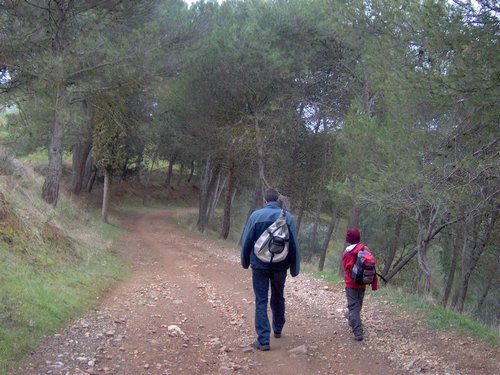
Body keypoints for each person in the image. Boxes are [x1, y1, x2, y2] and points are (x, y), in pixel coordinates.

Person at [241, 188, 300, 351]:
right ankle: (278, 328)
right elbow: (294, 244)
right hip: (280, 265)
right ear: (278, 200)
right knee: (278, 296)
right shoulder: (287, 217)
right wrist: (295, 268)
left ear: (264, 200)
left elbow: (247, 241)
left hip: (259, 265)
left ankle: (263, 340)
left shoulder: (255, 216)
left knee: (261, 300)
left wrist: (245, 261)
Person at [342, 227, 378, 341]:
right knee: (357, 306)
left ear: (348, 239)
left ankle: (358, 332)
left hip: (351, 284)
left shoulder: (348, 252)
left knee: (353, 307)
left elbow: (346, 267)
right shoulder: (365, 249)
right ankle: (351, 317)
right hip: (363, 282)